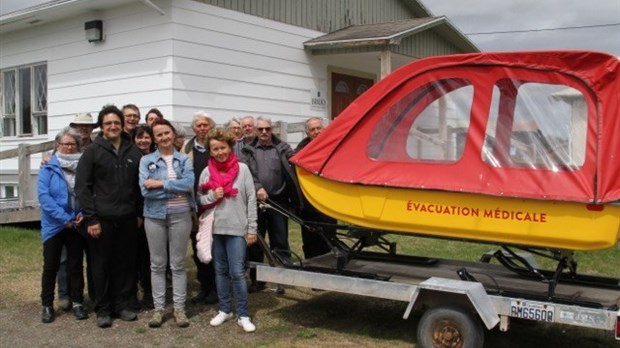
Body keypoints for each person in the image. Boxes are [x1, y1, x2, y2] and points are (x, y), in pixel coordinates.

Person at [75, 104, 143, 328]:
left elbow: (139, 186)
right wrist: (91, 219)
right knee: (101, 265)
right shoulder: (92, 152)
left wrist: (139, 214)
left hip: (127, 219)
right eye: (108, 123)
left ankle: (122, 305)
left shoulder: (133, 151)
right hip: (101, 220)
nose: (112, 126)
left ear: (121, 124)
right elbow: (82, 187)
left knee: (124, 264)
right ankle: (103, 308)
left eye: (116, 122)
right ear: (102, 127)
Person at [197, 128, 257, 333]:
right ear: (210, 151)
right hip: (215, 229)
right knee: (220, 271)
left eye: (223, 147)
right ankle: (224, 309)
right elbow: (200, 200)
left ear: (230, 147)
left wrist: (252, 229)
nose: (220, 152)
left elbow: (251, 199)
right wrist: (212, 196)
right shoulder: (206, 172)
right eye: (215, 149)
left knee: (238, 272)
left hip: (237, 229)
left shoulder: (243, 169)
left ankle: (243, 314)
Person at [140, 118, 195, 328]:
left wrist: (160, 183)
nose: (164, 137)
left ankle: (179, 309)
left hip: (181, 216)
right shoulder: (146, 161)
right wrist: (174, 187)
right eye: (159, 135)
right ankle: (159, 309)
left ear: (173, 134)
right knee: (157, 264)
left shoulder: (184, 160)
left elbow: (189, 184)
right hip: (154, 217)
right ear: (154, 139)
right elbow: (145, 191)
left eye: (166, 133)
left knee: (178, 264)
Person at [240, 116, 302, 294]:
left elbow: (296, 159)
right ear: (256, 131)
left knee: (280, 240)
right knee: (256, 242)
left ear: (272, 129)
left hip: (278, 202)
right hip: (256, 202)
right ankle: (258, 280)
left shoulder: (283, 147)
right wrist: (258, 187)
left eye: (267, 128)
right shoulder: (248, 150)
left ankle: (283, 280)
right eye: (261, 129)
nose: (264, 132)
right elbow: (246, 173)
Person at [38, 127, 88, 323]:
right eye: (65, 144)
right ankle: (47, 305)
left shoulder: (84, 165)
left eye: (72, 144)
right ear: (57, 146)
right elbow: (44, 196)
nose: (68, 148)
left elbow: (88, 191)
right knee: (51, 266)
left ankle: (77, 302)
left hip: (77, 223)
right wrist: (63, 218)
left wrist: (82, 213)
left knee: (76, 265)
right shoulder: (48, 167)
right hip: (55, 225)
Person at [182, 111, 219, 304]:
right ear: (193, 128)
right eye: (198, 125)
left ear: (211, 127)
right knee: (198, 247)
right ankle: (204, 286)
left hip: (214, 203)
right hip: (194, 205)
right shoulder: (185, 149)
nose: (202, 128)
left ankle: (216, 288)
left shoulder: (217, 146)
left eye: (205, 125)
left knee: (214, 247)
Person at [294, 117, 336, 259]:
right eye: (312, 129)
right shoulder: (300, 152)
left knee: (328, 238)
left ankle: (330, 265)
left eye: (319, 128)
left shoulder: (333, 147)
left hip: (329, 202)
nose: (316, 132)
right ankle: (311, 268)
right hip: (309, 204)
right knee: (310, 240)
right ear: (307, 133)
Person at [131, 124, 156, 310]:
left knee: (149, 256)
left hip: (153, 212)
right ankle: (132, 293)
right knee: (133, 255)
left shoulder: (157, 157)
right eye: (140, 137)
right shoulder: (130, 156)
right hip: (134, 214)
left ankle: (149, 292)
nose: (143, 140)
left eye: (147, 137)